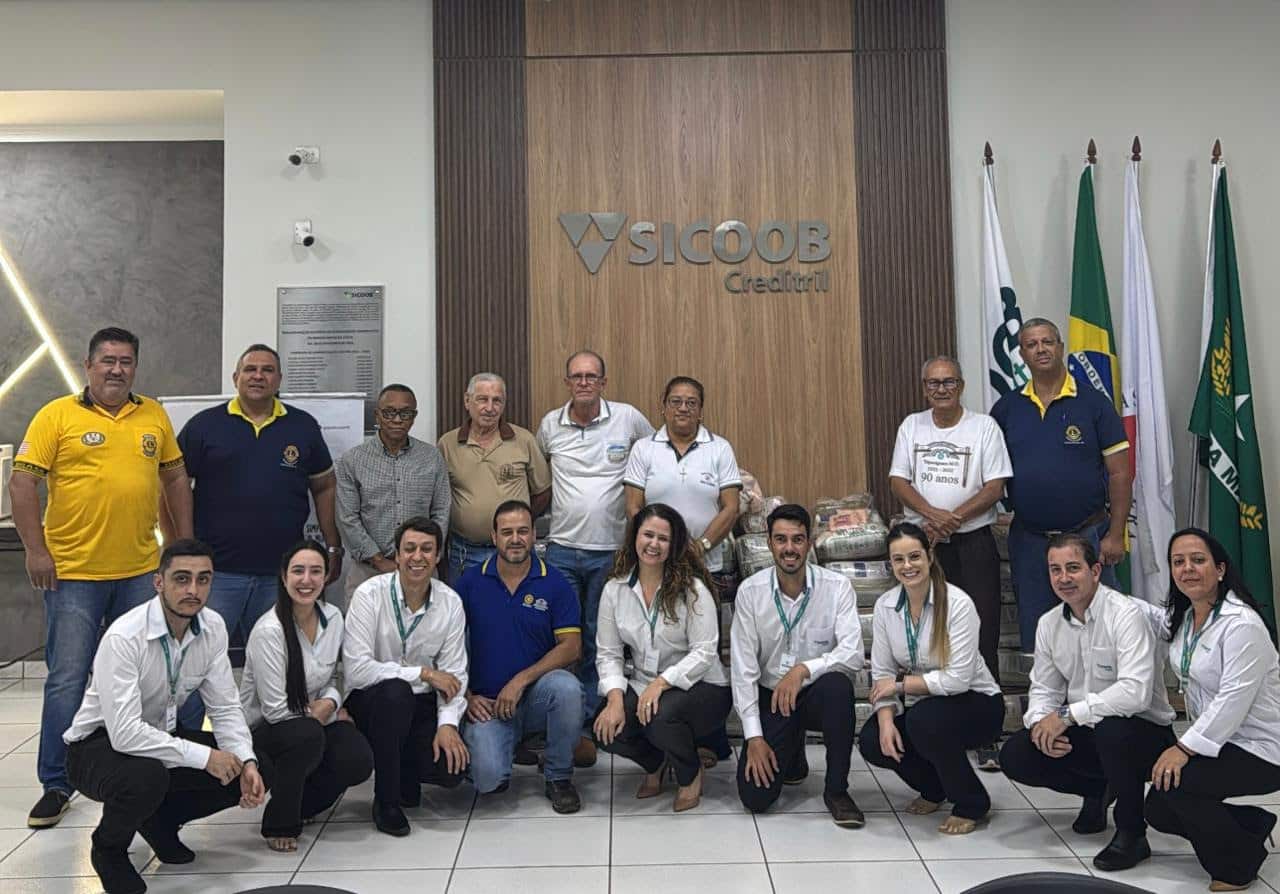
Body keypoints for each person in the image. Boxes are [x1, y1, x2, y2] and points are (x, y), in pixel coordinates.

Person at [11, 326, 193, 829]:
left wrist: (183, 545)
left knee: (148, 675)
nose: (117, 369)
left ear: (135, 367)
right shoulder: (56, 415)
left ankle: (144, 768)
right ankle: (56, 782)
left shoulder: (153, 414)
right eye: (107, 360)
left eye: (125, 361)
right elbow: (22, 483)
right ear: (88, 365)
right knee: (67, 679)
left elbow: (175, 477)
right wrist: (35, 550)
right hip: (72, 575)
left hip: (140, 573)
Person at [63, 539, 266, 894]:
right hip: (96, 747)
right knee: (147, 776)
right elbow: (125, 734)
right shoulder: (125, 636)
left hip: (161, 734)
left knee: (251, 765)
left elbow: (224, 706)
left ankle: (160, 822)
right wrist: (205, 757)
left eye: (203, 579)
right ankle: (108, 849)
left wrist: (246, 760)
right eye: (182, 579)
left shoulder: (213, 626)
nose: (193, 590)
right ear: (159, 582)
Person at [999, 533, 1175, 872]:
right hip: (1090, 728)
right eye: (1055, 570)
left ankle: (1132, 833)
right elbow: (1044, 689)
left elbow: (1135, 693)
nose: (1063, 578)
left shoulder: (1125, 614)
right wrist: (1040, 725)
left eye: (1073, 568)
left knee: (1113, 729)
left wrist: (1066, 715)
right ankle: (1099, 789)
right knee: (1018, 754)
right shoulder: (1049, 623)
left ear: (1095, 571)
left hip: (1145, 733)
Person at [176, 344, 342, 690]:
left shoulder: (302, 426)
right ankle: (192, 726)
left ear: (279, 379)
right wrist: (185, 547)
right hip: (217, 572)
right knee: (196, 663)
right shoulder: (204, 426)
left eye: (267, 370)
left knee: (276, 666)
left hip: (279, 574)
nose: (258, 376)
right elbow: (173, 486)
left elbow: (325, 485)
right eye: (250, 369)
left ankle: (270, 726)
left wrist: (332, 544)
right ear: (235, 377)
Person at [889, 355, 1011, 770]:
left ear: (961, 385)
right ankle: (928, 728)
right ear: (924, 388)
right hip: (925, 545)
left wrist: (952, 518)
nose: (941, 389)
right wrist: (932, 516)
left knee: (982, 632)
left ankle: (986, 734)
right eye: (933, 383)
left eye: (948, 382)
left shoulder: (984, 427)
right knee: (925, 630)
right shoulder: (912, 426)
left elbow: (995, 486)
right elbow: (898, 481)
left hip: (973, 542)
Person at [1144, 528, 1280, 892]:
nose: (1187, 568)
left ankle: (1237, 867)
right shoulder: (1187, 617)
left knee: (1177, 788)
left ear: (1220, 569)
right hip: (1220, 740)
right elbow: (1147, 615)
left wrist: (1184, 748)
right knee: (1156, 809)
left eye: (1198, 560)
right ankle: (1251, 824)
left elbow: (1232, 700)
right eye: (1178, 562)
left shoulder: (1242, 624)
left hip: (1262, 746)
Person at [991, 319, 1131, 653]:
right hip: (1030, 541)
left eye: (1047, 342)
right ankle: (1045, 690)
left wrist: (1115, 534)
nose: (1040, 349)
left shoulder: (1094, 403)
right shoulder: (1006, 408)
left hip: (1088, 535)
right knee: (1039, 635)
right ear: (1022, 354)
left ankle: (1106, 690)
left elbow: (1120, 474)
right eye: (1031, 344)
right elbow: (992, 474)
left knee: (1102, 633)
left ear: (1060, 347)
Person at [623, 375, 740, 766]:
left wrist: (700, 546)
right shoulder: (644, 448)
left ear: (701, 409)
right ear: (663, 406)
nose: (683, 408)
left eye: (691, 402)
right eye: (676, 401)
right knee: (657, 644)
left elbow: (730, 507)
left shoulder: (718, 448)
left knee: (705, 653)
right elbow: (634, 507)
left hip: (708, 567)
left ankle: (709, 740)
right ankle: (662, 736)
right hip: (655, 564)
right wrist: (660, 547)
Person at [858, 522, 1004, 834]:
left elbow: (958, 680)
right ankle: (935, 789)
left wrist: (901, 685)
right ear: (890, 564)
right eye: (898, 559)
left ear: (930, 556)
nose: (907, 566)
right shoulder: (886, 606)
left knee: (924, 720)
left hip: (978, 704)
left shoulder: (958, 604)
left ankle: (972, 803)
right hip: (927, 706)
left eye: (914, 556)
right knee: (872, 740)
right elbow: (882, 673)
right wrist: (885, 720)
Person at [537, 350, 654, 733]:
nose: (584, 382)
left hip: (610, 551)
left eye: (591, 376)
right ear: (566, 382)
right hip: (561, 549)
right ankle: (562, 715)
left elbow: (653, 457)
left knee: (599, 634)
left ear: (603, 382)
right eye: (577, 376)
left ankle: (591, 717)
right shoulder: (549, 425)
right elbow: (539, 478)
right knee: (562, 635)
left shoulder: (628, 418)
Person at [731, 504, 865, 826]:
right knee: (755, 798)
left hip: (814, 693)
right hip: (772, 697)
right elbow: (743, 669)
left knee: (838, 687)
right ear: (769, 543)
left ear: (809, 542)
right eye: (781, 539)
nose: (789, 548)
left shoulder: (836, 587)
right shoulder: (751, 592)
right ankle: (792, 752)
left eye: (797, 539)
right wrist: (754, 737)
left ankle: (837, 790)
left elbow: (853, 653)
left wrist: (804, 670)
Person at [592, 504, 732, 812]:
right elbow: (608, 652)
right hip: (644, 682)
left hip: (703, 686)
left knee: (659, 715)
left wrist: (661, 683)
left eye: (663, 538)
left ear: (674, 545)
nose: (654, 544)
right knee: (605, 728)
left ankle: (689, 772)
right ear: (635, 537)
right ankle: (654, 762)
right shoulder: (615, 589)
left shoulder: (692, 589)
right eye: (648, 535)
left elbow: (704, 652)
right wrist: (615, 698)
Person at [240, 540, 374, 851]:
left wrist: (331, 702)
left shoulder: (333, 617)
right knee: (306, 734)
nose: (306, 580)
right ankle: (280, 822)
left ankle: (304, 804)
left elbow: (337, 677)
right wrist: (322, 714)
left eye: (315, 571)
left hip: (314, 720)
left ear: (326, 577)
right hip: (267, 731)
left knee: (357, 757)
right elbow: (275, 711)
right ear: (283, 576)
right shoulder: (269, 631)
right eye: (298, 571)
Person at [342, 517, 470, 837]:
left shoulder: (450, 603)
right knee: (395, 693)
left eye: (426, 549)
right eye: (409, 549)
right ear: (397, 555)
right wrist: (423, 673)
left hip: (420, 703)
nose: (417, 557)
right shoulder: (369, 595)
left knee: (451, 769)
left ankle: (405, 773)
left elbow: (454, 674)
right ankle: (386, 800)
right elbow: (357, 669)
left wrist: (448, 725)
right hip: (372, 700)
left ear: (438, 556)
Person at [455, 500, 586, 813]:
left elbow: (571, 646)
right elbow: (445, 646)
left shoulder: (554, 582)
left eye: (523, 531)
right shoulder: (470, 582)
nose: (515, 539)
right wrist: (466, 696)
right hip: (487, 704)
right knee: (487, 781)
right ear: (494, 536)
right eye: (507, 532)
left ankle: (558, 776)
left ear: (534, 536)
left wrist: (520, 681)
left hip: (536, 697)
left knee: (567, 688)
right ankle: (510, 745)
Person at [337, 383, 451, 600]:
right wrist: (379, 560)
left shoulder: (432, 458)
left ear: (414, 417)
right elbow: (347, 518)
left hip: (420, 568)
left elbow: (441, 511)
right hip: (368, 571)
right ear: (377, 415)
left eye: (405, 413)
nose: (397, 420)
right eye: (389, 412)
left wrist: (425, 553)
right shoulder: (352, 460)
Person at [438, 372, 550, 583]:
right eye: (482, 399)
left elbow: (543, 492)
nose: (490, 408)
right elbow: (439, 499)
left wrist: (519, 521)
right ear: (467, 401)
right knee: (465, 604)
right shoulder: (447, 444)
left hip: (514, 551)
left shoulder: (523, 440)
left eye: (497, 401)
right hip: (464, 553)